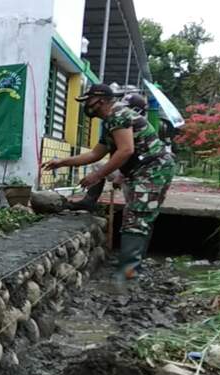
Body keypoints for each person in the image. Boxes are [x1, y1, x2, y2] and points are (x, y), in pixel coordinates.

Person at [42, 84, 175, 284]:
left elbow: (126, 150)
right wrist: (62, 161)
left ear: (101, 100)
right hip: (142, 170)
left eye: (88, 101)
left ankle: (127, 275)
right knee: (139, 218)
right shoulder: (110, 121)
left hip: (152, 169)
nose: (86, 106)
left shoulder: (118, 115)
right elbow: (95, 154)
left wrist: (97, 175)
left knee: (136, 219)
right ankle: (131, 268)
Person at [67, 92, 148, 211]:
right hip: (126, 168)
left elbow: (129, 152)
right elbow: (98, 153)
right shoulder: (113, 121)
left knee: (134, 209)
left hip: (142, 170)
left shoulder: (130, 122)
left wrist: (118, 175)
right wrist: (63, 162)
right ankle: (89, 201)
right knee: (98, 166)